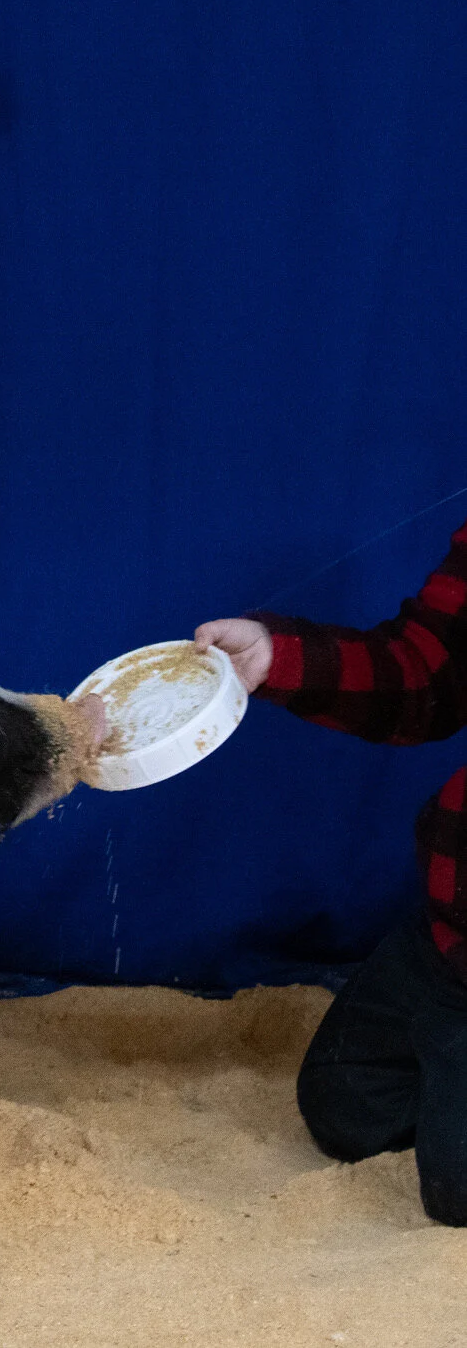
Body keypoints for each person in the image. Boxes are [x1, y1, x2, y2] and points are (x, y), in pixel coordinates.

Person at [196, 522, 467, 1228]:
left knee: (459, 1185)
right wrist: (277, 655)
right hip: (452, 932)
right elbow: (425, 674)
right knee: (345, 1097)